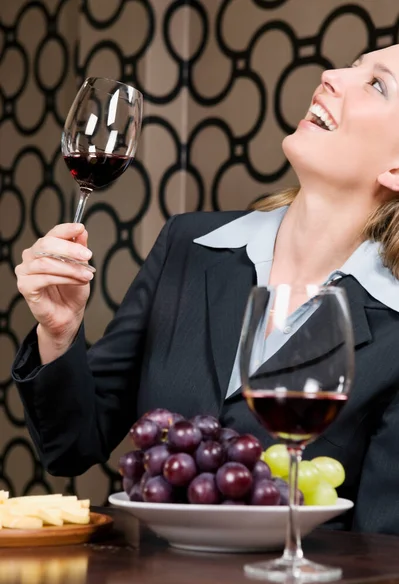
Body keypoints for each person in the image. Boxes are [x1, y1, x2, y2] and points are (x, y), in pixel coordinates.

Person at [12, 44, 399, 535]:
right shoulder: (188, 244)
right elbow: (70, 448)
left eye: (376, 84)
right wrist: (59, 335)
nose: (331, 75)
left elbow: (384, 553)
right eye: (354, 63)